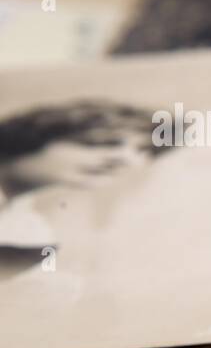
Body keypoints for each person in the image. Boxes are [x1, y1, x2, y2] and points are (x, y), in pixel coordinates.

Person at [0, 101, 163, 281]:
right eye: (102, 142)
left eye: (143, 151)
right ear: (26, 138)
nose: (126, 159)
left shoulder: (29, 232)